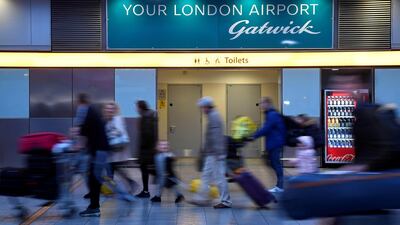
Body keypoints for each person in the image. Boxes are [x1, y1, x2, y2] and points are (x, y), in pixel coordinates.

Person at [190, 96, 232, 209]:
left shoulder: (214, 116)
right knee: (205, 176)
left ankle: (226, 201)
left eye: (202, 107)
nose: (202, 110)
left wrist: (218, 154)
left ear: (207, 106)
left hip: (215, 154)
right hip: (211, 153)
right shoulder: (212, 116)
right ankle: (202, 198)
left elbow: (217, 137)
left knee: (219, 178)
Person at [77, 94, 111, 217]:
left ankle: (94, 207)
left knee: (94, 178)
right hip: (99, 150)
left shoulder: (87, 111)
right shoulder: (92, 111)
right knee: (94, 177)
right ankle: (94, 206)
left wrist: (77, 145)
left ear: (81, 102)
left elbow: (82, 131)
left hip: (99, 150)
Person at [250, 97, 286, 193]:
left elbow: (266, 128)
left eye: (262, 103)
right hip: (273, 143)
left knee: (276, 164)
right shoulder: (270, 114)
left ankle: (281, 186)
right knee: (272, 163)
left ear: (267, 103)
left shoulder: (272, 114)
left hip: (275, 143)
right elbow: (267, 129)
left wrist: (254, 136)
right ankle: (281, 184)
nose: (260, 105)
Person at [103, 102, 137, 194]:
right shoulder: (106, 120)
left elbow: (119, 132)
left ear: (115, 110)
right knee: (114, 169)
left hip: (117, 150)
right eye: (108, 108)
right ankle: (126, 185)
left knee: (113, 169)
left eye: (111, 108)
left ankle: (125, 186)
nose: (109, 110)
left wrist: (109, 135)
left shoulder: (117, 119)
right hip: (112, 150)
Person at [136, 100, 158, 198]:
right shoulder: (151, 115)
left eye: (137, 107)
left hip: (146, 150)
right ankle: (147, 191)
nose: (136, 109)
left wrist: (141, 149)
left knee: (147, 170)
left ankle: (146, 191)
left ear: (140, 107)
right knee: (151, 171)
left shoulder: (146, 117)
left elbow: (146, 135)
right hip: (150, 149)